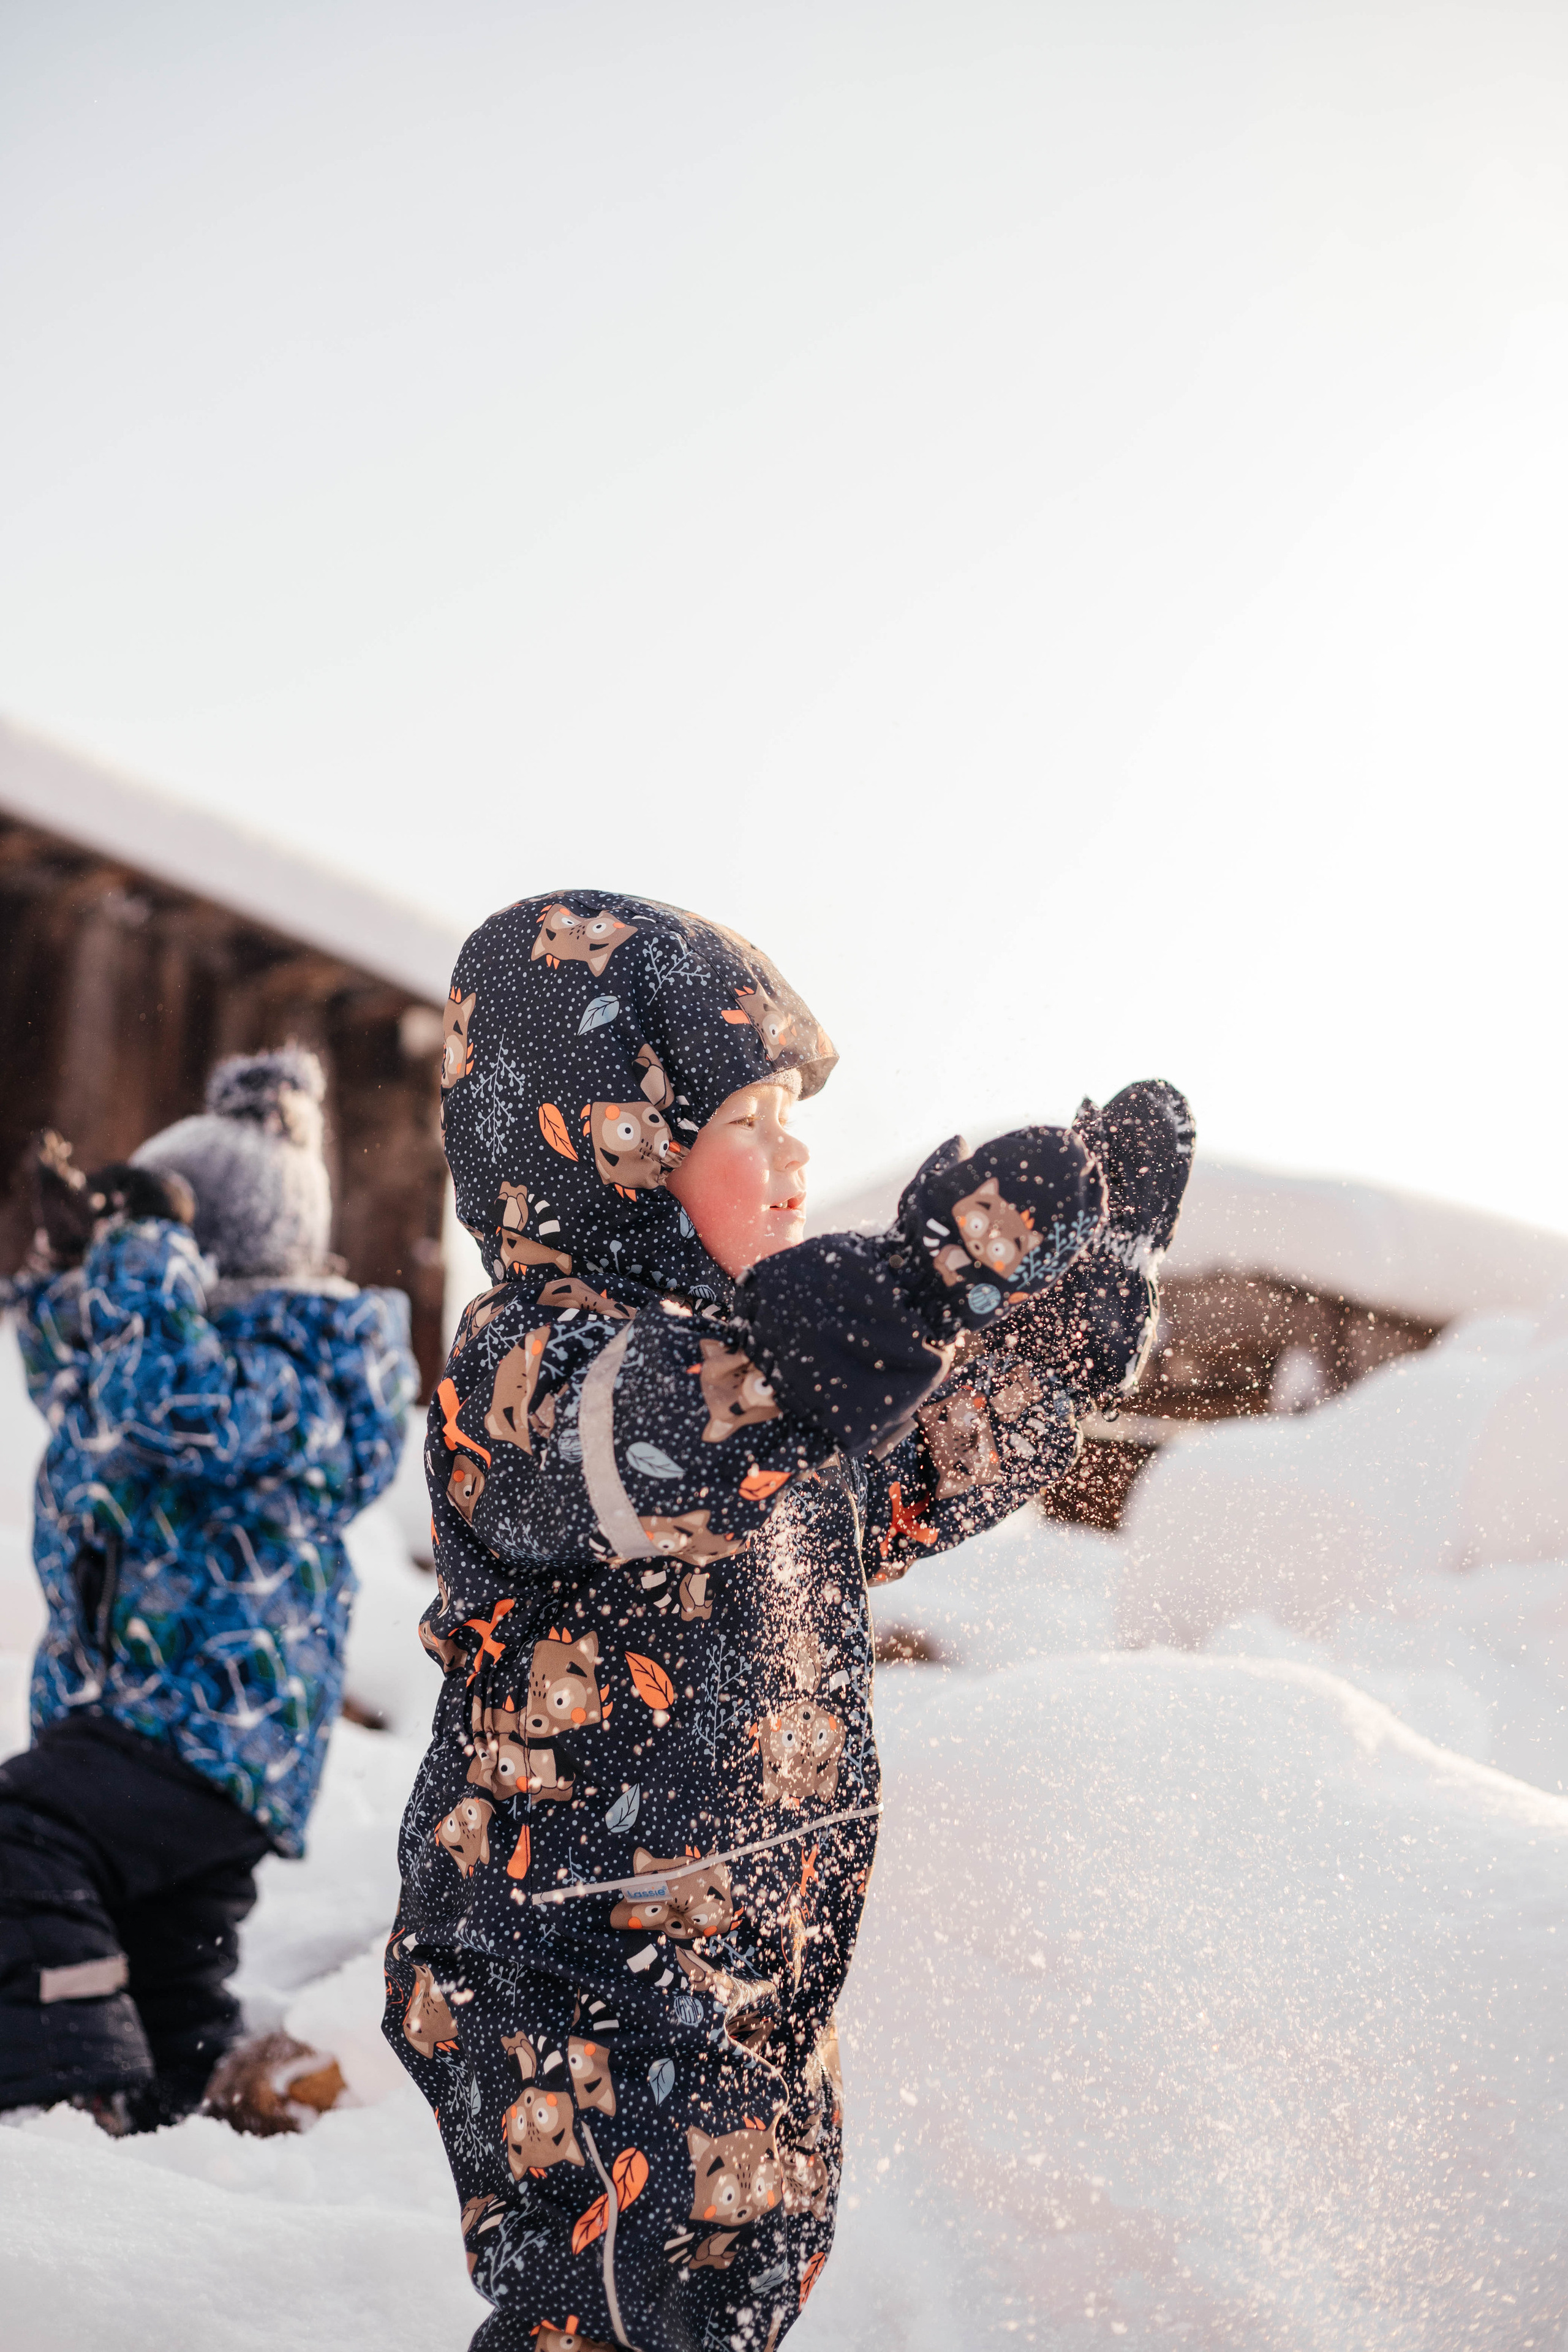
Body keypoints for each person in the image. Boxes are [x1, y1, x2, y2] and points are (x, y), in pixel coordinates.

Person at [383, 891, 1193, 2352]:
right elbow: (671, 1435)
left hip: (754, 1975)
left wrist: (1075, 1300)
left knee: (726, 2302)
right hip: (577, 1982)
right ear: (615, 1149)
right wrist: (917, 1283)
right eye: (749, 1123)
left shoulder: (797, 1398)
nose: (798, 1154)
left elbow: (926, 1462)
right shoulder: (532, 1369)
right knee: (619, 2321)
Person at [0, 1048, 418, 2132]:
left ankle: (59, 2092)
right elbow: (82, 1389)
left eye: (149, 1252)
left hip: (206, 1726)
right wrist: (56, 1274)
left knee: (20, 1839)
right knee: (165, 1976)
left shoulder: (293, 1373)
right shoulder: (159, 1355)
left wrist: (135, 1254)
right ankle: (173, 2137)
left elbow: (163, 1399)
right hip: (150, 1726)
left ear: (204, 1259)